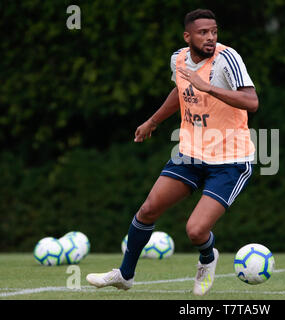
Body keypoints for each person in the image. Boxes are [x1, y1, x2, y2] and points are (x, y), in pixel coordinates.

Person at [86, 8, 258, 296]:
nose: (211, 37)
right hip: (190, 153)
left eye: (214, 31)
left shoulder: (228, 58)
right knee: (148, 209)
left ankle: (207, 258)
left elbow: (251, 102)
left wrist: (209, 87)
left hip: (230, 159)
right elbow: (181, 93)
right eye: (203, 32)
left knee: (195, 231)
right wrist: (152, 121)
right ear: (187, 36)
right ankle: (125, 275)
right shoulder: (178, 59)